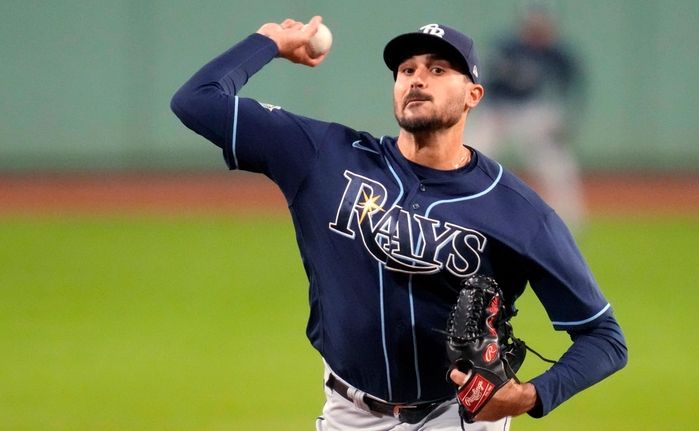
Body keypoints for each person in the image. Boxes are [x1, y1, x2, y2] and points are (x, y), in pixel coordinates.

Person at [171, 16, 627, 431]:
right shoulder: (323, 155)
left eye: (438, 69)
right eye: (406, 70)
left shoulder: (518, 211)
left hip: (460, 419)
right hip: (350, 415)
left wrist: (529, 396)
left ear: (474, 95)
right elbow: (196, 100)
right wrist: (268, 41)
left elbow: (604, 338)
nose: (417, 79)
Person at [467, 9, 587, 230]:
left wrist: (561, 115)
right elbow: (483, 79)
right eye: (534, 27)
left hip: (531, 110)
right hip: (499, 109)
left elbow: (570, 84)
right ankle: (460, 211)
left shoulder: (555, 52)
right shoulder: (505, 47)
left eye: (542, 27)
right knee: (470, 156)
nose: (538, 32)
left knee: (557, 165)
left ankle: (569, 220)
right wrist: (490, 107)